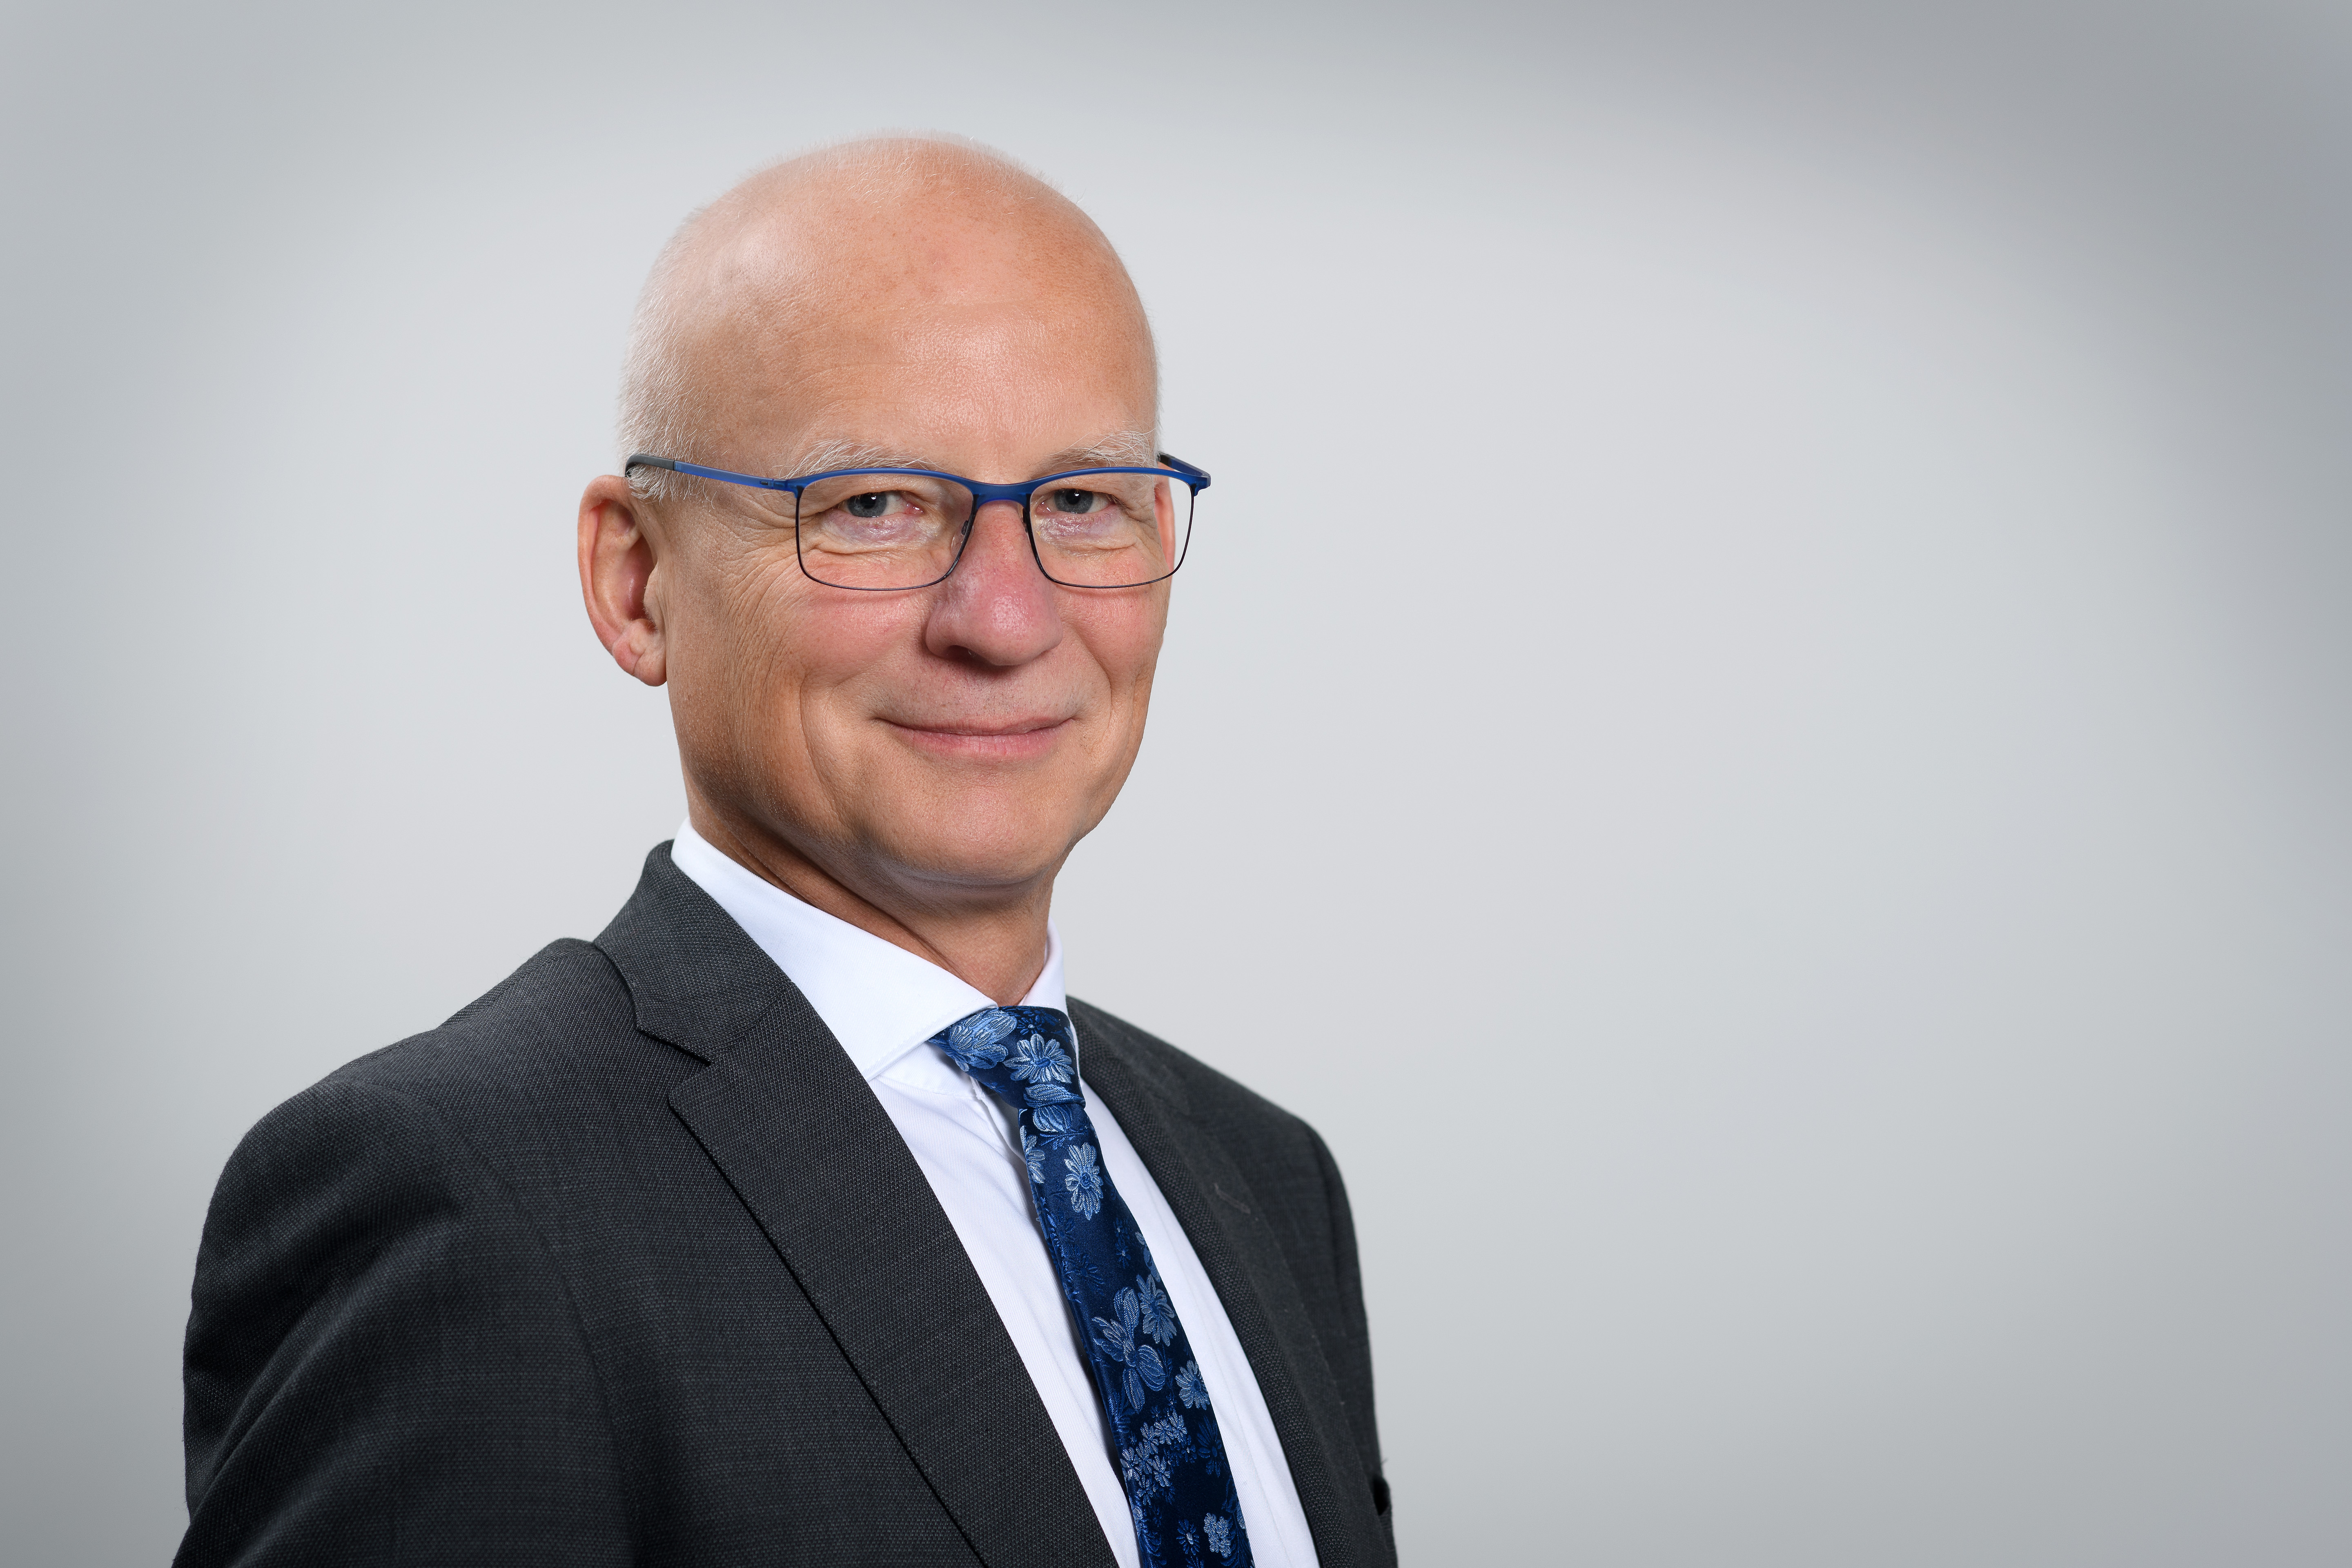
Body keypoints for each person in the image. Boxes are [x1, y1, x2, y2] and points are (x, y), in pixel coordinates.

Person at [175, 137, 1394, 1568]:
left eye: (1082, 502)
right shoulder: (460, 1194)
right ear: (637, 581)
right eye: (874, 504)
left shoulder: (1268, 1179)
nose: (1005, 620)